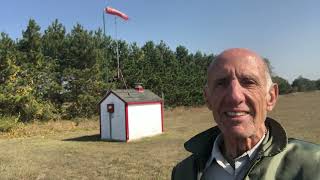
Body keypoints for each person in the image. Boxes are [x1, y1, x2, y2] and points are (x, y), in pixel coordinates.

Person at [171, 48, 320, 180]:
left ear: (271, 97)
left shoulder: (313, 166)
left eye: (248, 82)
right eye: (221, 83)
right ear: (208, 99)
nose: (234, 96)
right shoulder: (183, 172)